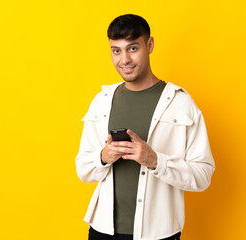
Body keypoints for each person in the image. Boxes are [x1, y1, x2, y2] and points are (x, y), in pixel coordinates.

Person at [76, 14, 215, 240]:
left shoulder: (181, 102)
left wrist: (155, 160)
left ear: (149, 45)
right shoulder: (102, 100)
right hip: (102, 230)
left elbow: (203, 175)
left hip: (158, 234)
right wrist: (104, 156)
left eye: (132, 48)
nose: (124, 60)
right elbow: (83, 169)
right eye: (116, 50)